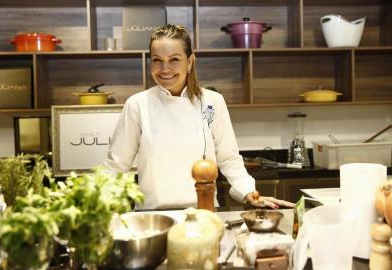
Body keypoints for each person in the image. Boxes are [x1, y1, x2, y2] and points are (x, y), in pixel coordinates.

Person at [104, 24, 294, 210]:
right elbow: (116, 165)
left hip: (204, 212)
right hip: (154, 216)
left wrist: (250, 193)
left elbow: (229, 159)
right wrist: (95, 203)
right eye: (157, 60)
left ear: (190, 61)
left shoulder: (213, 102)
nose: (164, 69)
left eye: (174, 59)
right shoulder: (137, 105)